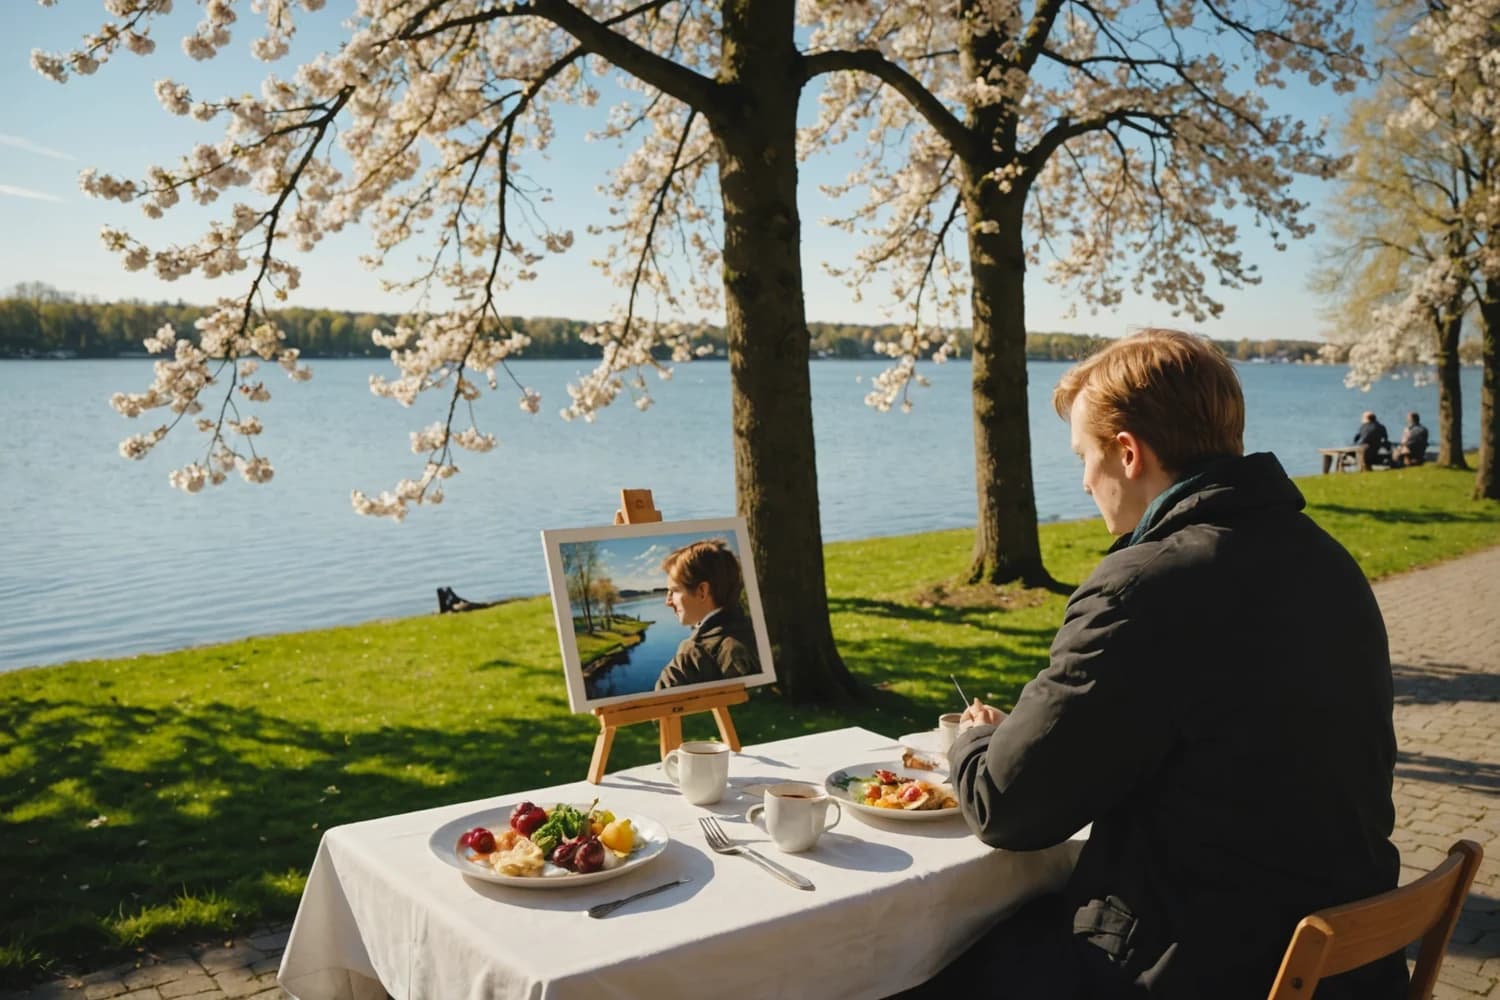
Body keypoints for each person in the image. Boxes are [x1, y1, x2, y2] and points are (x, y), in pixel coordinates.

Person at [917, 330, 1402, 1000]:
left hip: (1209, 965)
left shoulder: (1145, 585)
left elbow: (1007, 808)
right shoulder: (1325, 560)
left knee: (916, 964)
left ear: (1127, 452)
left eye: (1085, 457)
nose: (1085, 481)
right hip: (1350, 961)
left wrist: (972, 740)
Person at [653, 539, 762, 689]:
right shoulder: (755, 629)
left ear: (702, 591)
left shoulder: (694, 652)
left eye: (675, 591)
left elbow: (658, 704)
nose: (668, 601)